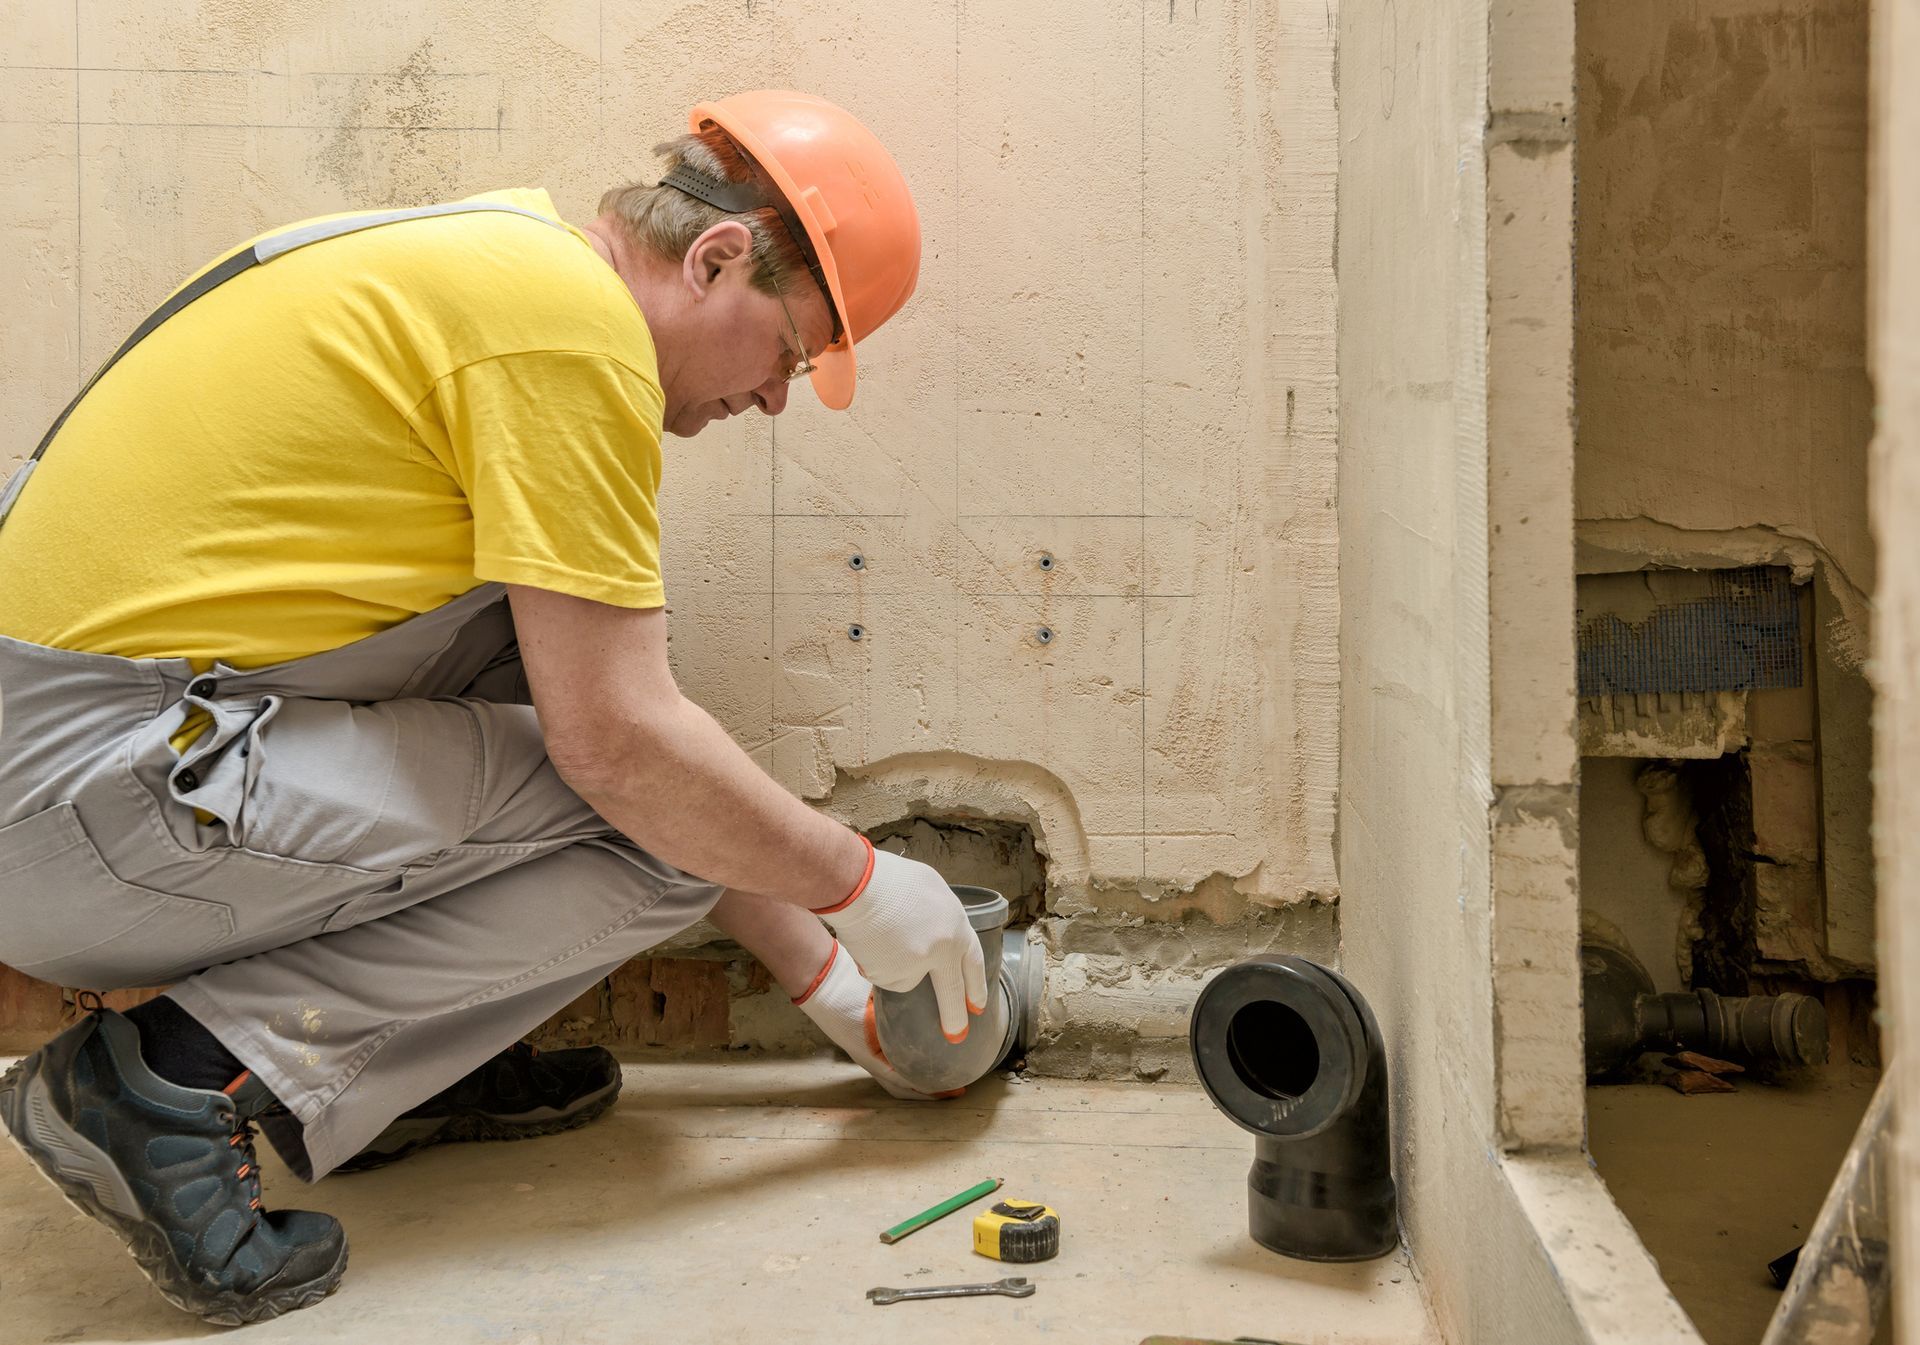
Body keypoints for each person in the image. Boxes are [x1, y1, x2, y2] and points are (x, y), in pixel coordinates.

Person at [0, 89, 984, 1325]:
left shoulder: (504, 263)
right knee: (646, 833)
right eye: (788, 353)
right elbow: (624, 753)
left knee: (528, 660)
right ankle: (162, 1084)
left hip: (85, 758)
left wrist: (832, 987)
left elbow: (578, 698)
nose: (778, 400)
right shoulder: (569, 339)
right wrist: (860, 886)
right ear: (717, 256)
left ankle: (399, 1073)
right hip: (81, 793)